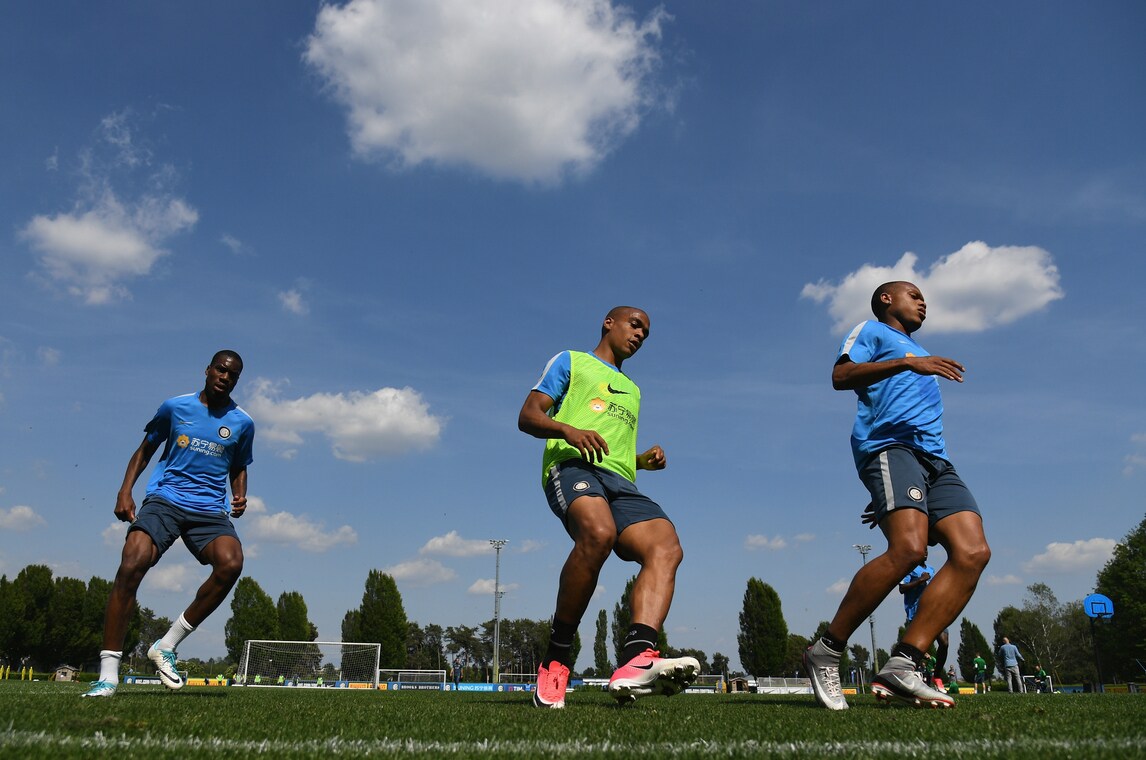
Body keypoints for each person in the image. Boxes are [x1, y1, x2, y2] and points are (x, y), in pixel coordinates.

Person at [804, 281, 991, 710]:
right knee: (909, 549)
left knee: (973, 553)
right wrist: (909, 363)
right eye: (914, 294)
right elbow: (840, 376)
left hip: (936, 461)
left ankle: (904, 663)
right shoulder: (872, 331)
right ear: (886, 299)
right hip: (890, 447)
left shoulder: (920, 353)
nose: (923, 301)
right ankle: (826, 650)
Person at [518, 306, 699, 708]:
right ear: (608, 323)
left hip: (621, 483)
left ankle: (637, 657)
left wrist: (640, 461)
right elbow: (527, 416)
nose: (639, 335)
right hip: (571, 467)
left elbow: (612, 452)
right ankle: (556, 659)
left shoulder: (633, 390)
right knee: (598, 534)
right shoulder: (571, 361)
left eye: (645, 333)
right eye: (635, 325)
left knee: (666, 546)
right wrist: (567, 429)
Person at [82, 350, 255, 698]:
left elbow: (238, 465)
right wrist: (125, 491)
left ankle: (166, 645)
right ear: (207, 370)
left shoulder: (242, 422)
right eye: (221, 370)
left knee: (231, 563)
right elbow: (144, 450)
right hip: (166, 500)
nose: (225, 377)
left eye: (233, 375)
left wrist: (239, 494)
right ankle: (108, 676)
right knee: (131, 563)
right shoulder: (174, 407)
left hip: (209, 510)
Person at [898, 552, 950, 691]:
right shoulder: (909, 569)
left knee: (944, 643)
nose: (925, 553)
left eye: (927, 551)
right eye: (923, 550)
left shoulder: (931, 569)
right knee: (916, 648)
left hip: (933, 610)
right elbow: (902, 588)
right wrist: (920, 580)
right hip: (917, 613)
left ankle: (937, 677)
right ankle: (906, 677)